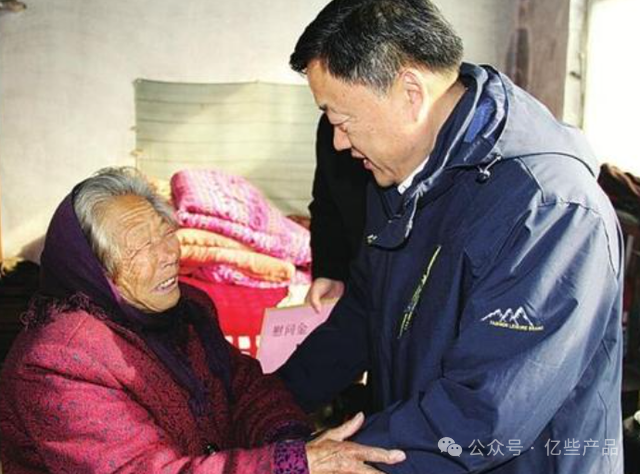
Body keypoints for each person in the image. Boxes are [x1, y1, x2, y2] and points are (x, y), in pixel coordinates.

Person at [278, 1, 625, 473]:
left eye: (341, 120)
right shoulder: (402, 176)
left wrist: (328, 458)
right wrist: (270, 401)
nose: (338, 142)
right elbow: (363, 311)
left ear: (410, 93)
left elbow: (483, 412)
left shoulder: (548, 210)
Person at [0, 167, 406, 474]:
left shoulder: (186, 312)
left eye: (165, 234)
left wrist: (288, 440)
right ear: (92, 268)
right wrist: (290, 464)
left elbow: (246, 389)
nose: (168, 255)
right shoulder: (57, 362)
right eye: (140, 246)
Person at [305, 113, 370, 312]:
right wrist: (331, 273)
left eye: (344, 123)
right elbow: (327, 207)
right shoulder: (331, 126)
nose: (338, 143)